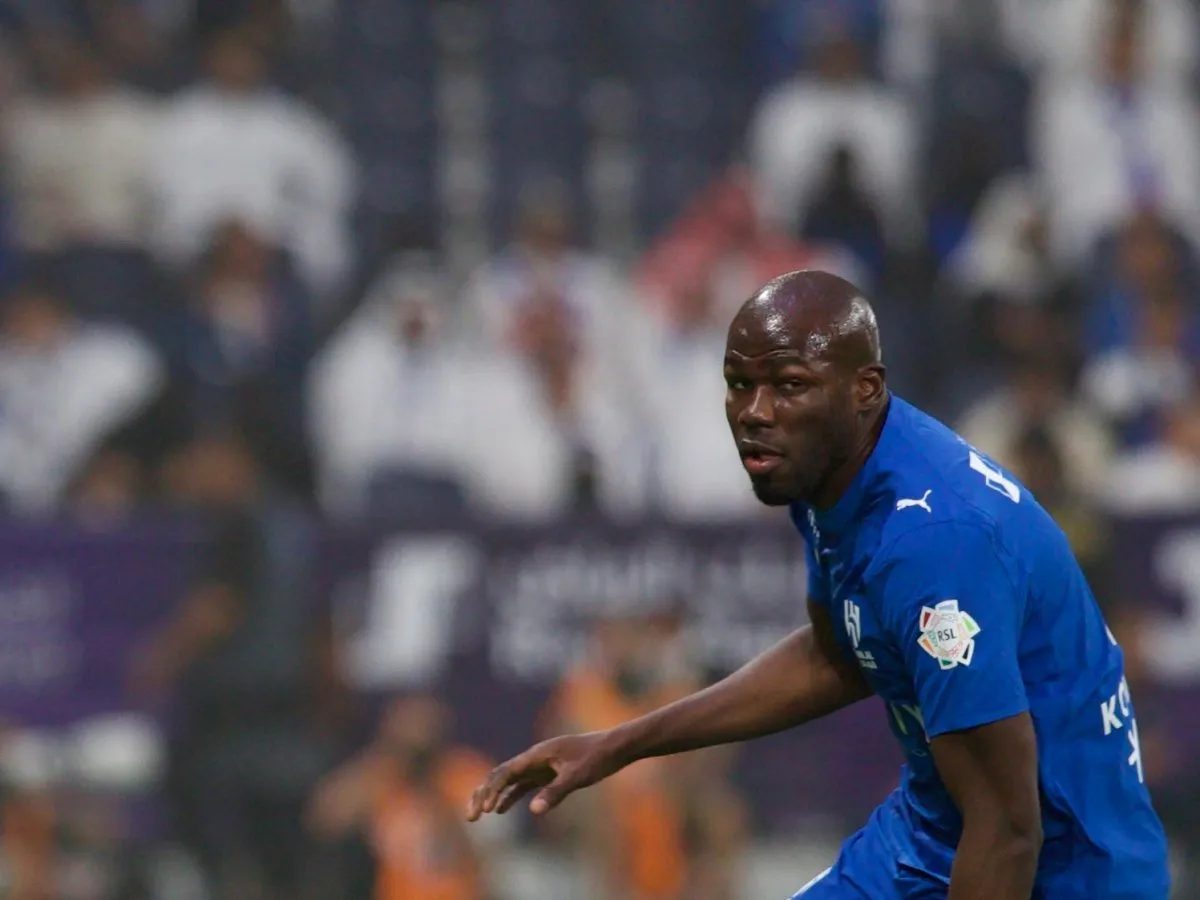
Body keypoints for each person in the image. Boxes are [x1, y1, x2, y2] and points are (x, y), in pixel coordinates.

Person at [466, 269, 1170, 899]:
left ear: (865, 389)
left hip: (1061, 866)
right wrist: (618, 744)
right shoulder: (827, 465)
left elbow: (1010, 829)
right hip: (931, 836)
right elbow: (836, 652)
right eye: (739, 383)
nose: (754, 411)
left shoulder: (933, 548)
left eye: (788, 385)